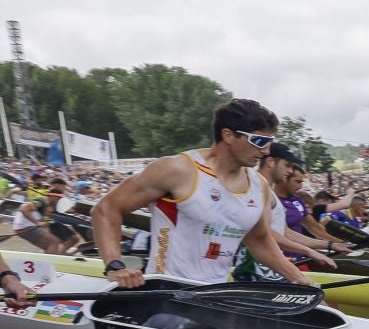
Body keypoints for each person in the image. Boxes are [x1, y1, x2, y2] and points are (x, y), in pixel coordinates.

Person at [88, 99, 313, 288]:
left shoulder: (258, 184)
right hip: (166, 290)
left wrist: (299, 280)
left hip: (215, 294)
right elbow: (106, 209)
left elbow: (260, 240)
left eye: (269, 143)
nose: (265, 151)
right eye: (259, 141)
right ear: (228, 135)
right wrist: (115, 266)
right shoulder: (177, 169)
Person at [238, 143, 342, 279]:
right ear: (270, 162)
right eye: (287, 165)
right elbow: (264, 233)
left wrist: (330, 245)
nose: (290, 171)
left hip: (269, 268)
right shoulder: (255, 187)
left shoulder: (267, 190)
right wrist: (310, 251)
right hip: (256, 269)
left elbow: (285, 233)